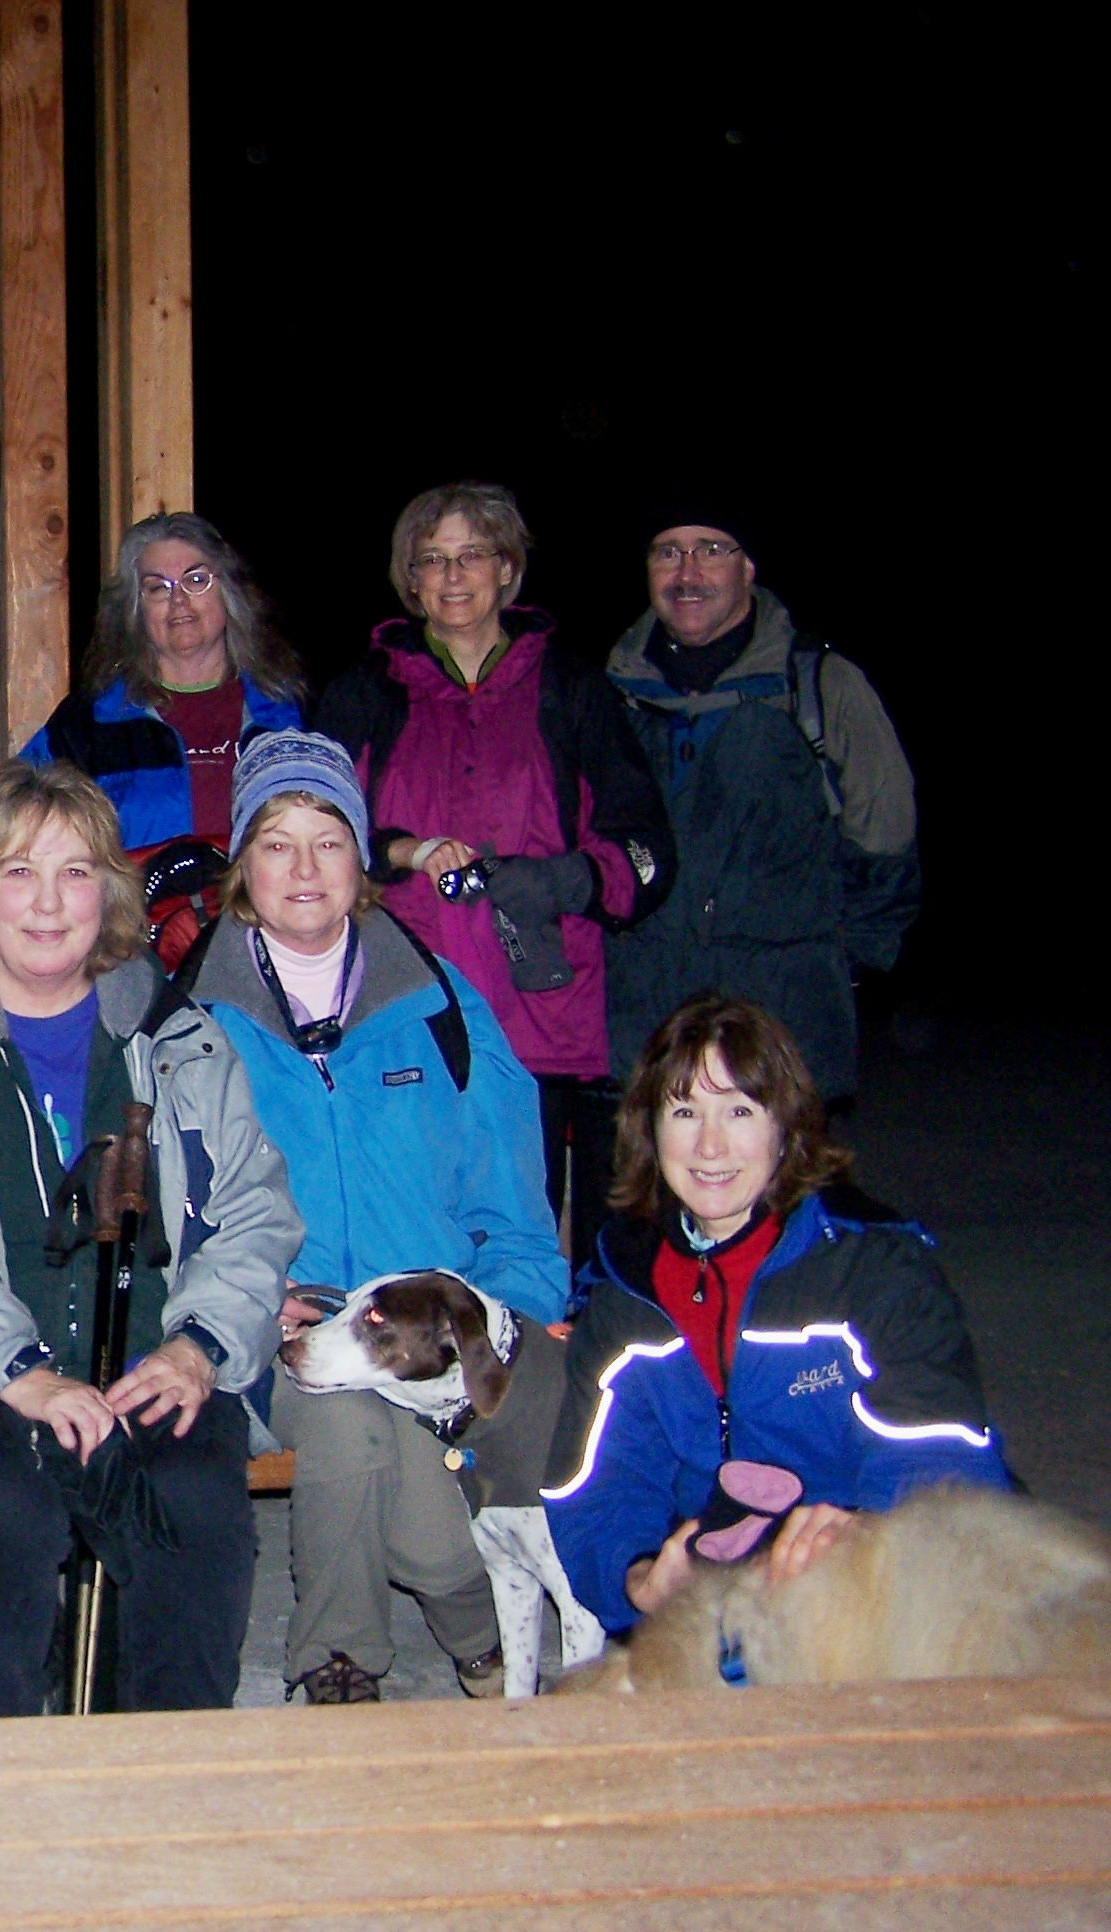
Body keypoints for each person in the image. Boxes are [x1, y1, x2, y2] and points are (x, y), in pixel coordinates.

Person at [0, 762, 302, 1719]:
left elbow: (253, 1214)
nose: (47, 904)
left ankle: (164, 1762)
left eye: (76, 872)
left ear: (110, 892)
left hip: (153, 1359)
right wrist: (22, 1374)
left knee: (192, 1514)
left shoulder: (182, 1041)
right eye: (18, 871)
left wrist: (199, 1347)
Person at [173, 731, 566, 1704]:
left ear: (360, 862)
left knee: (433, 1539)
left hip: (429, 1338)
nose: (304, 869)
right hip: (286, 1326)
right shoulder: (190, 1021)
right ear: (242, 868)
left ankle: (472, 1625)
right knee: (348, 1433)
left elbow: (515, 1201)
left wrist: (504, 1324)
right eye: (275, 843)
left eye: (328, 841)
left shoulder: (441, 1007)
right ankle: (340, 1664)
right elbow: (166, 1212)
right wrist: (235, 1300)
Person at [541, 994, 1009, 1637]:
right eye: (684, 1111)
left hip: (885, 1584)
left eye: (739, 1110)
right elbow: (598, 1482)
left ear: (786, 1129)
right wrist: (638, 1576)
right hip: (715, 1598)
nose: (709, 1145)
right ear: (649, 1130)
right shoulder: (625, 1294)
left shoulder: (871, 1272)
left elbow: (942, 1458)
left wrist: (870, 1535)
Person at [314, 481, 673, 1269]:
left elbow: (646, 850)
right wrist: (401, 852)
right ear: (410, 579)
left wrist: (562, 882)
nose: (452, 576)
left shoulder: (571, 689)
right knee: (415, 1232)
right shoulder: (366, 692)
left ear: (507, 569)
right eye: (432, 559)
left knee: (526, 1230)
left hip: (540, 1009)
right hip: (406, 999)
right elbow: (307, 829)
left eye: (472, 554)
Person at [602, 501, 921, 1103]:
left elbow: (886, 847)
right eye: (668, 552)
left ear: (747, 567)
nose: (687, 573)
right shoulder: (606, 697)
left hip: (785, 1029)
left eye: (711, 550)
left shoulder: (821, 688)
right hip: (642, 1031)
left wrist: (834, 966)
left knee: (781, 1168)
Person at [21, 512, 305, 853]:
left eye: (196, 580)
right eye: (157, 588)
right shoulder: (87, 724)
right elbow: (10, 825)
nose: (178, 600)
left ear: (229, 591)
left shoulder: (288, 715)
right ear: (134, 609)